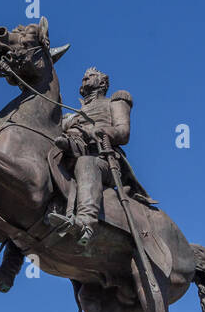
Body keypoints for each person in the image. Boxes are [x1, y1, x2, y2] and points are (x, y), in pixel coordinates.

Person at [55, 67, 155, 246]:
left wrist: (102, 131)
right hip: (71, 153)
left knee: (86, 163)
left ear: (102, 83)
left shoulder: (114, 101)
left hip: (103, 159)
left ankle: (86, 222)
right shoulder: (75, 113)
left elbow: (123, 132)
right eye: (84, 76)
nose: (85, 78)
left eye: (90, 76)